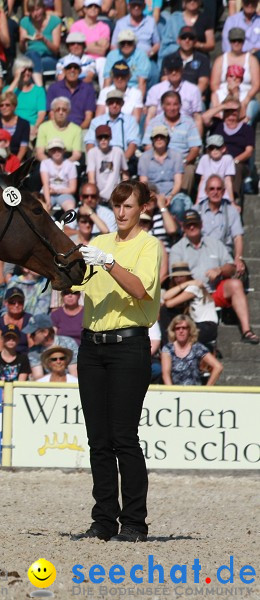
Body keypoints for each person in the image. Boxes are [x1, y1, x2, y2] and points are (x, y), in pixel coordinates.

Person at [72, 179, 161, 543]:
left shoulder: (148, 245)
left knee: (124, 437)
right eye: (117, 205)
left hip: (128, 345)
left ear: (143, 208)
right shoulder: (100, 243)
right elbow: (71, 285)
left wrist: (108, 263)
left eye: (128, 206)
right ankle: (104, 520)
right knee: (98, 440)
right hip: (92, 346)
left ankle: (135, 523)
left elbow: (140, 289)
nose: (121, 212)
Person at [169, 210, 256, 344]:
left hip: (214, 292)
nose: (192, 227)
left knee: (236, 284)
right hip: (190, 295)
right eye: (188, 225)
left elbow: (232, 268)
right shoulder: (177, 249)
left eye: (195, 224)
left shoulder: (215, 243)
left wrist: (220, 269)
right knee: (192, 289)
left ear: (201, 224)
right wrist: (194, 284)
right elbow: (176, 278)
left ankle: (246, 330)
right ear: (183, 227)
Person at [161, 262, 219, 348]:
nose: (178, 279)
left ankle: (168, 346)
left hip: (206, 327)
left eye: (181, 276)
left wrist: (187, 283)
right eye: (176, 277)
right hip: (197, 325)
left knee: (165, 309)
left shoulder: (194, 288)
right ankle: (169, 345)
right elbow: (165, 297)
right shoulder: (189, 287)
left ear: (188, 277)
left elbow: (168, 303)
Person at [161, 314, 223, 386]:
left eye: (184, 328)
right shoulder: (168, 349)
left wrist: (207, 389)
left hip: (194, 392)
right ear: (173, 330)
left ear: (190, 330)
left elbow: (218, 367)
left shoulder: (197, 347)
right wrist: (171, 393)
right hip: (175, 392)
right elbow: (166, 374)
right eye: (177, 328)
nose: (181, 331)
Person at [46, 55, 96, 129]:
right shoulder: (54, 88)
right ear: (64, 71)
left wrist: (77, 132)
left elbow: (88, 118)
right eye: (69, 67)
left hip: (81, 129)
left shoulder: (88, 89)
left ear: (80, 71)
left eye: (75, 67)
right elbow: (52, 115)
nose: (72, 70)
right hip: (58, 129)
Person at [19, 0, 61, 86]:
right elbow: (23, 50)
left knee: (33, 63)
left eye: (37, 10)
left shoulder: (55, 21)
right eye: (32, 11)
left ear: (43, 9)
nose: (35, 13)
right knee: (32, 54)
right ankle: (39, 87)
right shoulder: (25, 21)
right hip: (30, 56)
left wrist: (44, 40)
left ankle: (38, 88)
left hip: (48, 57)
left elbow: (56, 50)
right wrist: (22, 41)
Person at [86, 125, 128, 204]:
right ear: (96, 139)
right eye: (100, 137)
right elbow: (91, 179)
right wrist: (95, 196)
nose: (103, 140)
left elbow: (125, 175)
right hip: (99, 197)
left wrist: (124, 193)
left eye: (106, 137)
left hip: (116, 195)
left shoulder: (118, 151)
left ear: (110, 138)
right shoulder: (92, 153)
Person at [35, 97, 83, 163]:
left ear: (68, 112)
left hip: (68, 161)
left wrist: (63, 165)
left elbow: (76, 154)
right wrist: (51, 165)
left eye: (64, 110)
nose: (61, 112)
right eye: (58, 109)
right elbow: (39, 153)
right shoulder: (43, 127)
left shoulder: (76, 129)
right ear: (53, 111)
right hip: (47, 160)